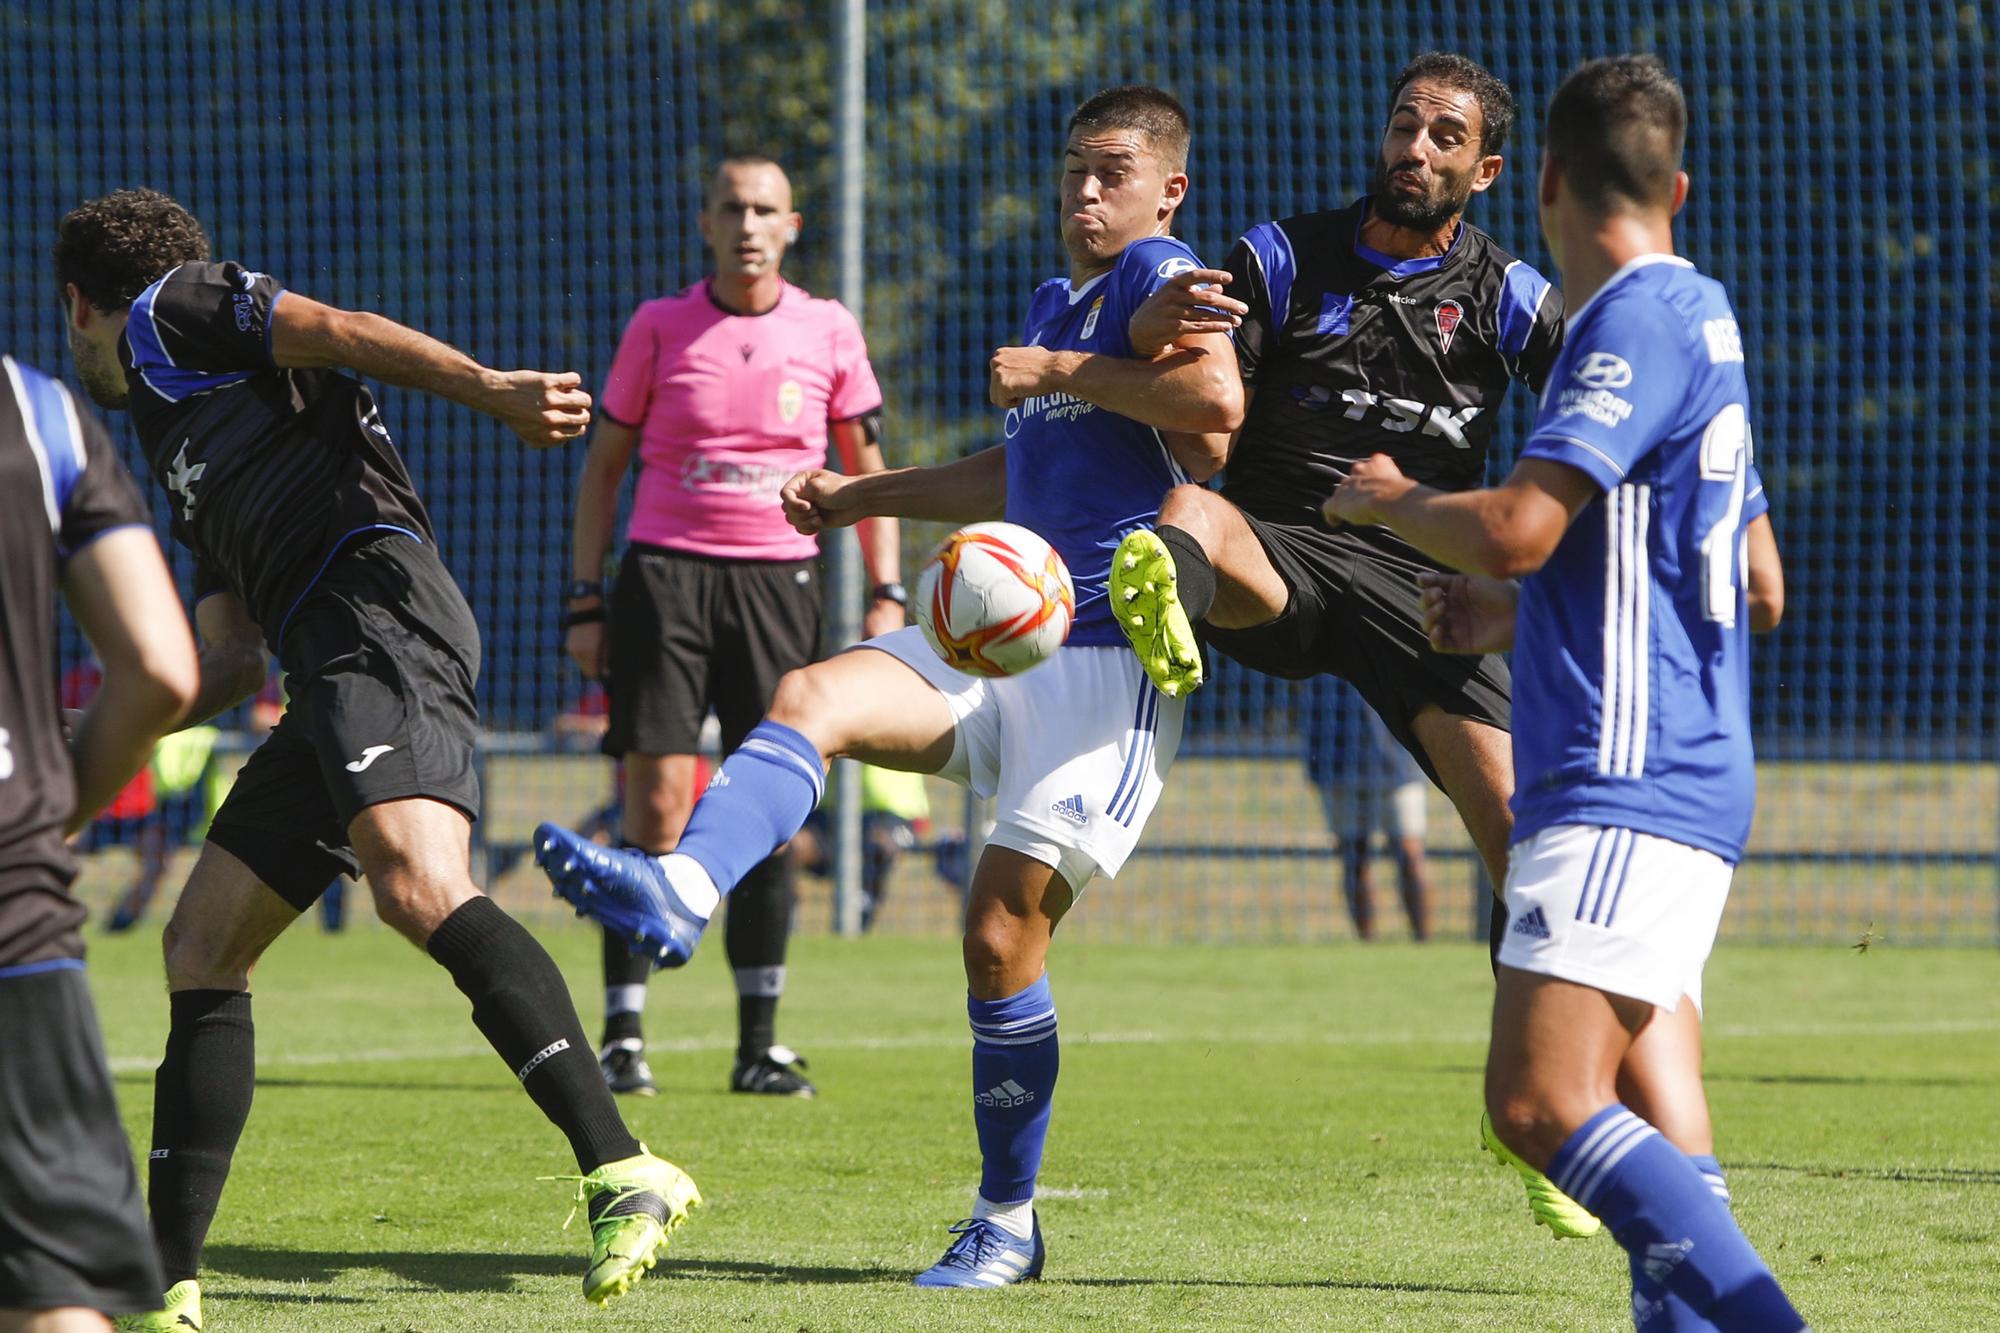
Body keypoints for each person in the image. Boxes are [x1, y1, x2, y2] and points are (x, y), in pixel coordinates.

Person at [535, 85, 1242, 1287]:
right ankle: (681, 889)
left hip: (1102, 662)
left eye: (1111, 171)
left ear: (1166, 188)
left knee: (994, 941)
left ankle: (1006, 1224)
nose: (1083, 191)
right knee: (809, 696)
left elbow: (1214, 410)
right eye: (1073, 168)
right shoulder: (1057, 297)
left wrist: (1065, 363)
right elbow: (1015, 473)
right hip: (988, 636)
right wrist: (859, 495)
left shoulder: (1155, 272)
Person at [53, 188, 697, 1326]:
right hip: (322, 661)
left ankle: (621, 1165)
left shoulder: (168, 308)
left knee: (417, 884)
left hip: (376, 609)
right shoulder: (180, 437)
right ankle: (162, 1282)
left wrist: (490, 389)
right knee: (201, 943)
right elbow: (227, 661)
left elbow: (339, 330)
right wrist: (85, 748)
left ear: (77, 306)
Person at [1325, 53, 1803, 1330]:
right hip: (1688, 765)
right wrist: (1520, 614)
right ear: (1678, 184)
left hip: (1617, 773)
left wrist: (1394, 502)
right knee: (1650, 1099)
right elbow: (1751, 578)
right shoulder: (1705, 315)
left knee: (1537, 1103)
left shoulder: (1625, 320)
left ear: (1533, 178)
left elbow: (1522, 523)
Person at [1105, 50, 1620, 1235]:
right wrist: (1157, 335)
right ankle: (1159, 606)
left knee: (1527, 845)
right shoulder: (1279, 255)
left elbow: (1596, 416)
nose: (1415, 150)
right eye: (1404, 126)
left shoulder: (1508, 297)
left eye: (1445, 138)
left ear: (1485, 171)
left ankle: (1531, 1112)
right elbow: (1197, 387)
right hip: (1275, 551)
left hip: (1420, 589)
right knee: (1187, 514)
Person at [563, 154, 904, 1099]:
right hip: (665, 578)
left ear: (792, 226)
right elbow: (603, 472)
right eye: (731, 208)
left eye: (765, 210)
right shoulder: (661, 327)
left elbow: (865, 471)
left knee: (765, 808)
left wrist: (888, 590)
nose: (747, 224)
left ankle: (760, 1042)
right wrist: (586, 598)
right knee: (658, 804)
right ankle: (623, 1035)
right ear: (706, 224)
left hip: (780, 584)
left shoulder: (828, 329)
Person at [0, 356, 199, 1332]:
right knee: (54, 1289)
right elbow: (163, 669)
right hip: (12, 900)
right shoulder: (38, 415)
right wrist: (53, 809)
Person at [1303, 682, 1433, 941]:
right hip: (1336, 759)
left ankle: (1424, 943)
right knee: (1354, 857)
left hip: (1396, 762)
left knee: (1408, 851)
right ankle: (1366, 944)